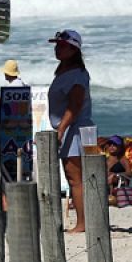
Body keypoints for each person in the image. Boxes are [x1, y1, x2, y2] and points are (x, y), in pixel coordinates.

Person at [47, 29, 92, 234]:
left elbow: (74, 106)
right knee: (76, 178)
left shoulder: (76, 75)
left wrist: (61, 130)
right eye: (57, 45)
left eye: (62, 45)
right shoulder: (64, 72)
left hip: (75, 129)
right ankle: (84, 221)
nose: (57, 48)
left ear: (74, 50)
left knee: (76, 179)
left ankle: (82, 223)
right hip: (72, 129)